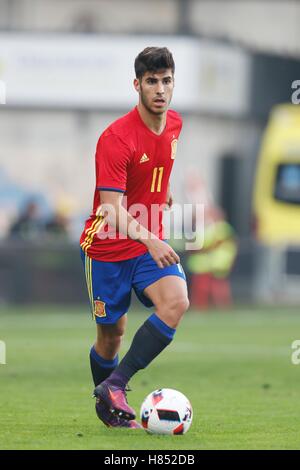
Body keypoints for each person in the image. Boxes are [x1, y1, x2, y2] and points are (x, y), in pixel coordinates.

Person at [80, 47, 189, 429]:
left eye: (167, 80)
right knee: (112, 337)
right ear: (137, 85)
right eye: (152, 81)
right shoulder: (115, 138)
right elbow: (109, 209)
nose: (160, 89)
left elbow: (159, 160)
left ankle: (116, 385)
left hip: (145, 244)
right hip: (107, 247)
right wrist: (152, 240)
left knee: (176, 302)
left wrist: (164, 188)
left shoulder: (174, 123)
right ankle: (109, 408)